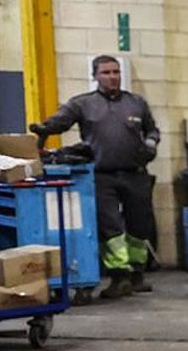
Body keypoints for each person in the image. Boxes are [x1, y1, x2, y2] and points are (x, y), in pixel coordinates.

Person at [31, 55, 160, 299]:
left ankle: (137, 276)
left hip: (135, 174)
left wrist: (151, 143)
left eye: (115, 72)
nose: (112, 77)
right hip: (102, 176)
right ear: (95, 76)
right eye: (106, 73)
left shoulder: (137, 103)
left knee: (139, 227)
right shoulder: (83, 104)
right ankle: (119, 276)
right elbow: (61, 121)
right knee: (110, 228)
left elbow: (152, 129)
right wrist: (43, 129)